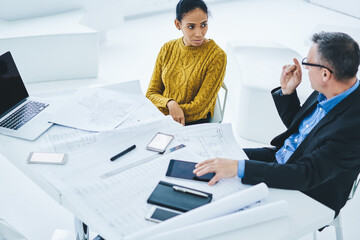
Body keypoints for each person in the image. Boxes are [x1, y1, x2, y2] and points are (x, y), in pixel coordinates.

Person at [194, 31, 360, 217]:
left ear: (325, 73)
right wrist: (287, 92)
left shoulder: (353, 127)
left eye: (308, 63)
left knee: (224, 205)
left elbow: (304, 174)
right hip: (281, 160)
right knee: (213, 159)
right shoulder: (331, 89)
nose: (304, 67)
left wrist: (237, 167)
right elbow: (305, 132)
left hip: (308, 192)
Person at [146, 0, 227, 126]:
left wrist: (164, 110)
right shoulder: (167, 48)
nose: (199, 33)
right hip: (165, 119)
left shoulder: (216, 56)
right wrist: (170, 103)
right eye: (191, 27)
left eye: (203, 25)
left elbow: (199, 109)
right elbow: (151, 93)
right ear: (178, 24)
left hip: (194, 122)